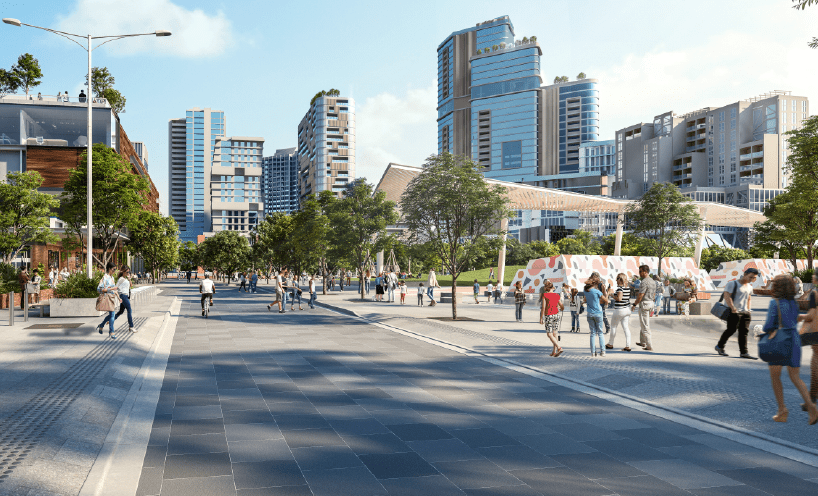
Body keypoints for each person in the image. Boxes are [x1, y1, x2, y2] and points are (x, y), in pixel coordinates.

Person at [762, 275, 818, 425]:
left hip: (779, 339)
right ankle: (812, 407)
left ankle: (782, 411)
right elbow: (793, 318)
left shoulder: (775, 303)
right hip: (794, 339)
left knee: (775, 376)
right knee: (795, 377)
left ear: (777, 287)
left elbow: (768, 325)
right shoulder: (794, 302)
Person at [715, 268, 759, 359]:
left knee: (744, 332)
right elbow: (727, 296)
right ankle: (720, 346)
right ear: (745, 274)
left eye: (754, 278)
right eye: (750, 277)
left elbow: (749, 298)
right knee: (731, 330)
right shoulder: (732, 284)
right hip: (734, 312)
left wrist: (748, 309)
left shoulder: (749, 287)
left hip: (745, 312)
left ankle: (744, 352)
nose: (751, 279)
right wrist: (733, 308)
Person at [798, 273, 818, 410]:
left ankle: (811, 399)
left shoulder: (815, 294)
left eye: (814, 277)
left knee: (815, 365)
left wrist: (799, 317)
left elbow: (811, 315)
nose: (812, 279)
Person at [632, 265, 657, 351]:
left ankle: (649, 345)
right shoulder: (653, 281)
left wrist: (634, 304)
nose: (639, 273)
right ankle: (642, 342)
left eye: (640, 271)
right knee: (643, 323)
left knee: (645, 325)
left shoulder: (644, 282)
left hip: (645, 304)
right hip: (651, 303)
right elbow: (654, 294)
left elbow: (640, 295)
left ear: (645, 272)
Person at [607, 273, 633, 352]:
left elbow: (619, 298)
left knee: (613, 327)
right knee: (626, 328)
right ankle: (628, 345)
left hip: (619, 310)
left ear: (620, 279)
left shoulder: (620, 289)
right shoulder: (627, 288)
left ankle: (610, 344)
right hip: (627, 309)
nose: (616, 280)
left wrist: (611, 294)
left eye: (617, 279)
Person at [584, 280, 609, 356]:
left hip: (589, 313)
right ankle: (603, 351)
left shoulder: (585, 291)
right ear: (595, 284)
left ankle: (593, 352)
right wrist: (607, 292)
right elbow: (606, 300)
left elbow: (585, 300)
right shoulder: (597, 291)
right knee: (600, 333)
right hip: (598, 313)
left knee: (592, 333)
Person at [96, 262, 119, 338]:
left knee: (111, 315)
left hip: (112, 298)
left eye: (115, 269)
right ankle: (111, 331)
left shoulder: (112, 278)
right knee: (112, 315)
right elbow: (99, 289)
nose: (114, 271)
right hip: (107, 298)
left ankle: (101, 325)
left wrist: (119, 297)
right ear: (109, 269)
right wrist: (112, 288)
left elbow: (114, 289)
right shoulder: (105, 277)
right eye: (113, 269)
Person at [540, 281, 564, 357]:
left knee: (549, 334)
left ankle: (559, 347)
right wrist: (560, 308)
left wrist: (541, 318)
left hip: (549, 316)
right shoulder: (557, 295)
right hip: (556, 315)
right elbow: (562, 306)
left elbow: (543, 307)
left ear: (546, 288)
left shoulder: (545, 295)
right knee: (555, 334)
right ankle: (554, 351)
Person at [113, 266, 136, 333]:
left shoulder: (125, 279)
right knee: (129, 310)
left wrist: (129, 279)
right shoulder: (121, 279)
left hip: (126, 295)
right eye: (127, 272)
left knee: (121, 311)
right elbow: (116, 287)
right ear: (123, 271)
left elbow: (131, 286)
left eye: (129, 272)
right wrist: (118, 296)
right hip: (123, 296)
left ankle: (111, 320)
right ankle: (131, 326)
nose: (128, 273)